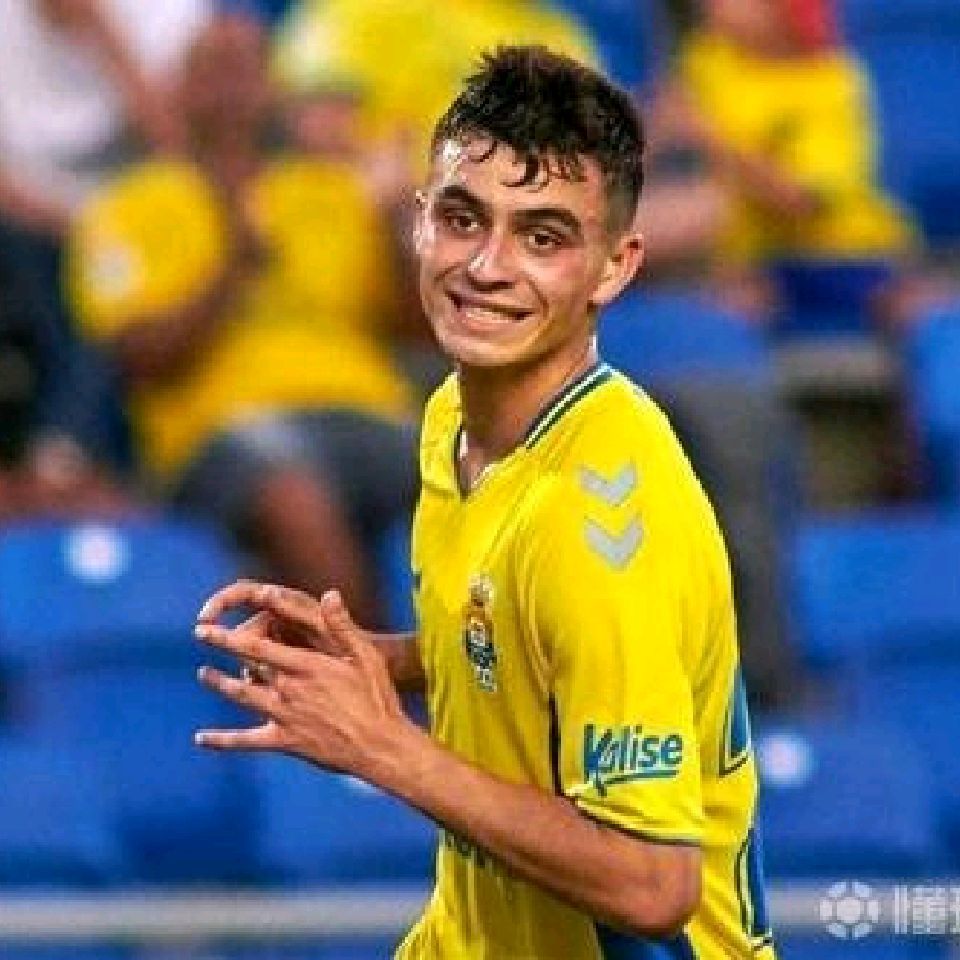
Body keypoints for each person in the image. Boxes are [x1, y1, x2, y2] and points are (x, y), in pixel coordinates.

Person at [193, 46, 777, 958]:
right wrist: (385, 660)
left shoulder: (595, 524)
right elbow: (520, 637)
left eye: (543, 237)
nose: (487, 266)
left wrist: (387, 747)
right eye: (463, 219)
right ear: (419, 221)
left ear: (615, 267)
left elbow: (654, 883)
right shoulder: (450, 422)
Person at [67, 13, 418, 624]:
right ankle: (369, 680)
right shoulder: (129, 206)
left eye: (246, 68)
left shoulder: (329, 192)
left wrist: (395, 219)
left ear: (272, 89)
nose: (231, 86)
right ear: (179, 87)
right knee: (295, 500)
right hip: (224, 434)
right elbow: (139, 357)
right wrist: (232, 264)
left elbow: (423, 327)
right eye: (213, 68)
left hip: (367, 413)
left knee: (496, 471)